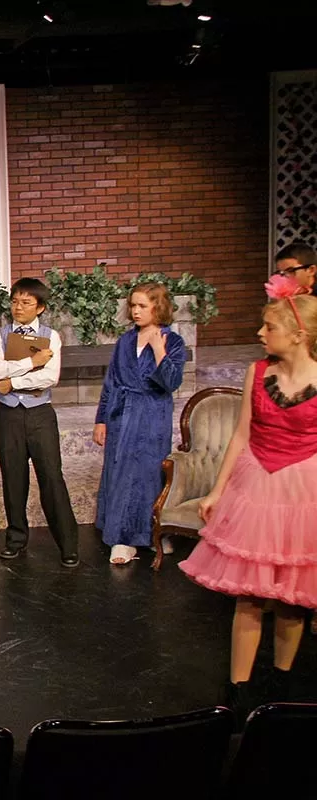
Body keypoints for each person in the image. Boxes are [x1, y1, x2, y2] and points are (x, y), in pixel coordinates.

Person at [180, 275, 317, 721]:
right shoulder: (257, 373)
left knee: (292, 598)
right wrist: (217, 491)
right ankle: (238, 689)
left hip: (303, 492)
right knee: (250, 596)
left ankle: (281, 681)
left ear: (298, 335)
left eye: (269, 327)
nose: (260, 333)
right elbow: (240, 436)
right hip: (256, 485)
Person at [93, 283, 187, 565]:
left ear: (158, 307)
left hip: (152, 415)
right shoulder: (125, 341)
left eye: (142, 306)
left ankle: (151, 533)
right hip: (121, 414)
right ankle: (122, 538)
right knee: (121, 473)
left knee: (149, 474)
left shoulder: (173, 341)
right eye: (133, 305)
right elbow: (111, 382)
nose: (135, 311)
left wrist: (158, 350)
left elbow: (171, 382)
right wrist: (101, 419)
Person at [0, 277, 80, 566]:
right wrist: (32, 362)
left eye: (26, 303)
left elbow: (50, 377)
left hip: (40, 414)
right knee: (13, 478)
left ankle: (68, 545)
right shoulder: (0, 335)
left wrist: (12, 382)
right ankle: (16, 540)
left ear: (40, 307)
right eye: (15, 301)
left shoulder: (51, 337)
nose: (18, 307)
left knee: (51, 476)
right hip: (9, 415)